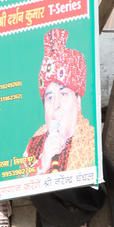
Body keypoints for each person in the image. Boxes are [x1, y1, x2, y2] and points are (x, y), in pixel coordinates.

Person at [21, 29, 96, 177]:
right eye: (49, 97)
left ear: (78, 101)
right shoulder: (34, 145)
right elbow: (18, 183)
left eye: (63, 94)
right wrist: (43, 163)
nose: (56, 105)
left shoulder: (91, 143)